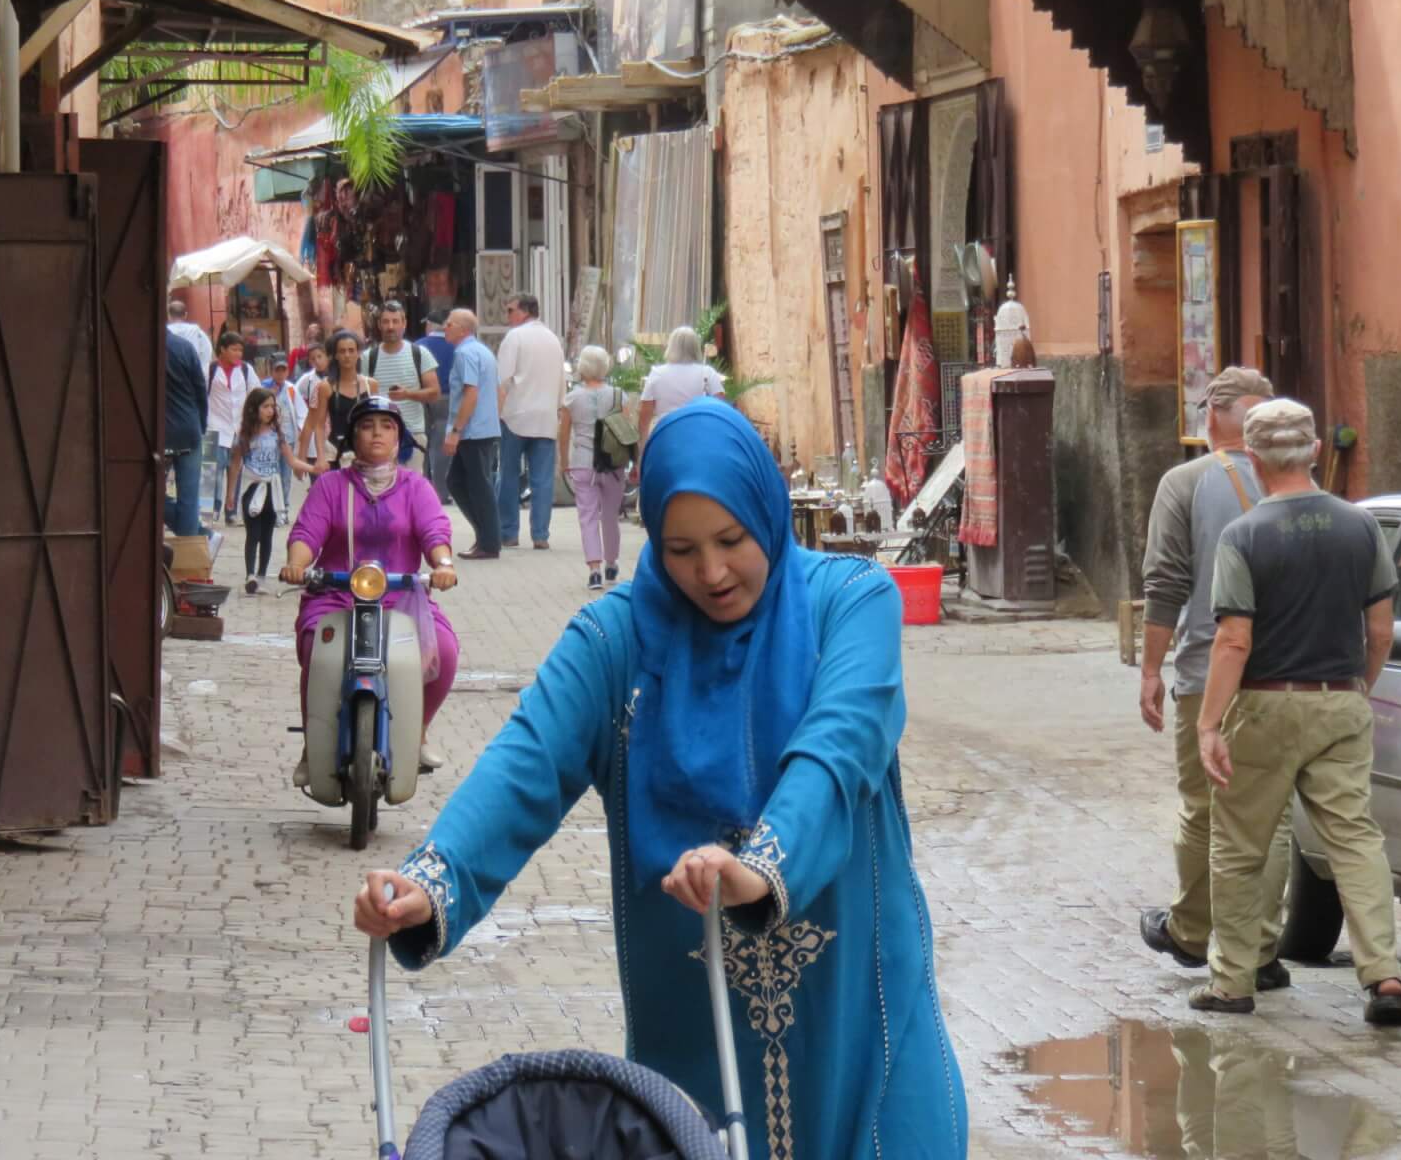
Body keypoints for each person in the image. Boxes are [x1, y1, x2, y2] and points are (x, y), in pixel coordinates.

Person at [353, 403, 968, 1160]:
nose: (710, 573)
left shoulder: (851, 603)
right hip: (692, 1035)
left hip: (860, 1022)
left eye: (732, 540)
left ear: (766, 511)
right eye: (680, 550)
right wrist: (433, 879)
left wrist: (761, 865)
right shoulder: (617, 641)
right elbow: (528, 760)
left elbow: (839, 748)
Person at [1193, 398, 1401, 1026]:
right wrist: (1354, 688)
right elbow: (1383, 631)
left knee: (1239, 848)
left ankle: (1232, 982)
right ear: (1314, 451)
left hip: (1262, 703)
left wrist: (1209, 723)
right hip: (1339, 699)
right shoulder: (1360, 527)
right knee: (1355, 840)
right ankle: (1385, 976)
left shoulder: (1245, 535)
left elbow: (1234, 640)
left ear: (1254, 460)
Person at [1136, 366, 1294, 992]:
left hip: (1209, 671)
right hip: (1283, 676)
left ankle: (1195, 932)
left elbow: (1166, 583)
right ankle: (1259, 945)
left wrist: (1151, 667)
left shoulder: (1184, 483)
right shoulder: (1297, 487)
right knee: (1270, 816)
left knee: (1204, 806)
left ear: (1212, 417)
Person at [280, 396, 460, 778]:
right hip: (335, 594)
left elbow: (435, 532)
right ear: (352, 436)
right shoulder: (330, 485)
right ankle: (315, 747)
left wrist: (443, 565)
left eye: (387, 426)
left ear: (399, 438)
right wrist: (297, 564)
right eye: (367, 425)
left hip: (401, 596)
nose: (377, 433)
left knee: (443, 650)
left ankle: (419, 732)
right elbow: (306, 532)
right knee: (318, 653)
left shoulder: (416, 487)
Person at [558, 345, 632, 592]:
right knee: (610, 515)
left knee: (587, 517)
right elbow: (625, 431)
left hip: (583, 462)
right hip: (613, 464)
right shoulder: (620, 396)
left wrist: (563, 462)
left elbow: (564, 433)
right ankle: (612, 562)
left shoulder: (571, 398)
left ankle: (594, 570)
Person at [495, 293, 565, 550]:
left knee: (509, 474)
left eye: (511, 310)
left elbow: (502, 380)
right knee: (542, 479)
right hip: (545, 416)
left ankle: (509, 531)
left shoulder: (514, 337)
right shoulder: (552, 339)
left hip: (515, 415)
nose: (508, 316)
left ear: (524, 311)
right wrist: (557, 408)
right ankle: (540, 534)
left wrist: (496, 413)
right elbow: (561, 381)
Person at [442, 309, 504, 560]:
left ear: (463, 329)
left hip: (473, 431)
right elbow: (499, 392)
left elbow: (471, 392)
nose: (445, 327)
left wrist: (456, 430)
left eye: (449, 324)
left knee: (479, 486)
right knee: (457, 482)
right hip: (483, 428)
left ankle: (489, 541)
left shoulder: (465, 353)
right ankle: (485, 534)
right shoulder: (482, 351)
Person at [362, 300, 441, 471]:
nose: (390, 326)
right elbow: (361, 397)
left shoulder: (419, 354)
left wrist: (408, 394)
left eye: (395, 321)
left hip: (413, 434)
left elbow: (434, 393)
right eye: (386, 321)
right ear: (379, 325)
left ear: (404, 324)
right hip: (379, 436)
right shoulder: (368, 358)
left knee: (411, 491)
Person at [225, 388, 286, 593]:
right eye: (265, 406)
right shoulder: (245, 436)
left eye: (272, 406)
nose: (270, 411)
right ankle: (250, 575)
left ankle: (261, 575)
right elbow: (235, 466)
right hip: (252, 490)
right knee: (253, 534)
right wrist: (230, 494)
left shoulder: (278, 434)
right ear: (254, 409)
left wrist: (310, 468)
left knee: (267, 535)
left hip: (272, 491)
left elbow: (291, 459)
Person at [296, 329, 376, 476]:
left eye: (351, 350)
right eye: (342, 351)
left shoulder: (371, 385)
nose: (347, 355)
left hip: (365, 452)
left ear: (358, 353)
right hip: (335, 452)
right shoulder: (325, 387)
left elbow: (377, 420)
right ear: (336, 355)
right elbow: (317, 425)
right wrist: (320, 457)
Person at [639, 325, 726, 452]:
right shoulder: (707, 373)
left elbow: (644, 415)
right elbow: (721, 407)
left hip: (665, 435)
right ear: (696, 347)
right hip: (698, 434)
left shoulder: (657, 373)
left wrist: (642, 446)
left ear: (671, 346)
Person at [205, 332, 262, 527]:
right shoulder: (210, 370)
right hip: (213, 427)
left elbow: (256, 394)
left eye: (240, 350)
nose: (238, 353)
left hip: (239, 428)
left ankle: (231, 512)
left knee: (235, 472)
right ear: (222, 349)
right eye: (234, 349)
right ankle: (209, 513)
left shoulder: (246, 370)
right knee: (212, 472)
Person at [162, 319, 210, 537]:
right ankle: (194, 545)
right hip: (189, 429)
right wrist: (201, 423)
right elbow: (201, 388)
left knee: (145, 495)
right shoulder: (184, 347)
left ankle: (198, 534)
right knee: (189, 498)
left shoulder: (140, 349)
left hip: (158, 433)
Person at [416, 313, 458, 504]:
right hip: (450, 397)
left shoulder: (418, 346)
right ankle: (442, 491)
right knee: (442, 444)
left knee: (422, 441)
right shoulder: (457, 345)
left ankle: (421, 487)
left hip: (423, 397)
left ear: (430, 325)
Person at [272, 355, 304, 520]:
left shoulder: (291, 389)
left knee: (285, 475)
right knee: (273, 475)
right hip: (270, 440)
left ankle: (284, 508)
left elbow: (300, 412)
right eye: (277, 370)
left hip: (288, 438)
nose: (280, 374)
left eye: (283, 370)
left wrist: (302, 430)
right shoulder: (265, 388)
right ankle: (274, 509)